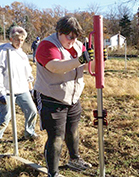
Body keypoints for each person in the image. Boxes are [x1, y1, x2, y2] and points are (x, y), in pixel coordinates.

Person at [34, 16, 94, 176]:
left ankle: (74, 159)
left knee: (73, 131)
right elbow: (55, 67)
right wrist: (82, 59)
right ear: (60, 32)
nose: (73, 41)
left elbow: (90, 67)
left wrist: (98, 59)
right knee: (56, 137)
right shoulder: (46, 45)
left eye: (76, 37)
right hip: (50, 97)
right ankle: (53, 172)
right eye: (69, 37)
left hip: (73, 98)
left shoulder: (78, 46)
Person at [0, 26, 40, 158]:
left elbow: (27, 72)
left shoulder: (22, 54)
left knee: (32, 110)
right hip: (7, 91)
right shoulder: (4, 52)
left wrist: (30, 87)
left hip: (22, 90)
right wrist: (0, 92)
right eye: (16, 39)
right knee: (5, 117)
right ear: (11, 39)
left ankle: (29, 131)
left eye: (21, 40)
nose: (19, 42)